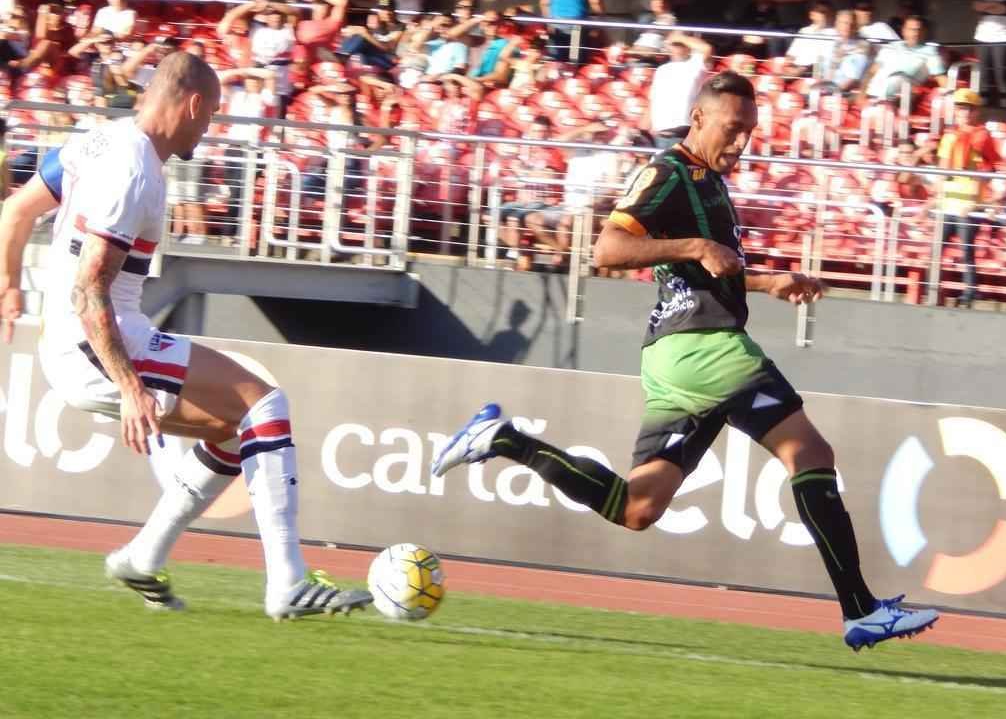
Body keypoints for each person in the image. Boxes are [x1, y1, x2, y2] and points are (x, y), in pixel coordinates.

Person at [433, 70, 940, 651]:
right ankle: (859, 609)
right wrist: (697, 245)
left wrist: (770, 281)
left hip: (677, 357)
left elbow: (706, 274)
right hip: (707, 349)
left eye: (750, 131)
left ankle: (506, 440)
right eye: (733, 129)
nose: (743, 143)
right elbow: (607, 249)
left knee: (638, 507)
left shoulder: (709, 182)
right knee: (811, 452)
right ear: (698, 118)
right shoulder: (667, 173)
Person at [0, 51, 372, 619]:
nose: (210, 127)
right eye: (212, 114)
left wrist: (9, 288)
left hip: (82, 339)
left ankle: (143, 557)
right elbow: (89, 290)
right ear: (193, 103)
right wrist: (129, 386)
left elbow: (16, 212)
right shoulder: (134, 172)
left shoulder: (101, 140)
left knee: (231, 427)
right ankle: (288, 584)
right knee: (264, 404)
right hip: (99, 343)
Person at [934, 88, 1001, 308]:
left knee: (966, 249)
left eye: (966, 109)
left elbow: (987, 170)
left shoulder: (981, 137)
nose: (962, 113)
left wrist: (978, 202)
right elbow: (943, 170)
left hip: (969, 203)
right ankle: (932, 287)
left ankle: (970, 292)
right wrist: (935, 199)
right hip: (949, 201)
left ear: (975, 112)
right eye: (959, 108)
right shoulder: (950, 136)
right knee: (937, 247)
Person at [860, 15, 946, 101]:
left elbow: (941, 78)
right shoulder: (891, 46)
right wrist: (861, 95)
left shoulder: (930, 52)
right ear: (903, 31)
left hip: (895, 100)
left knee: (898, 78)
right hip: (870, 95)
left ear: (924, 32)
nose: (915, 33)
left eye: (919, 30)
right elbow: (871, 72)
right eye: (911, 29)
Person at [649, 35, 712, 149]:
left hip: (682, 133)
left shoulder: (694, 66)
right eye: (674, 45)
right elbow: (653, 100)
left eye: (680, 45)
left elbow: (705, 48)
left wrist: (680, 38)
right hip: (661, 134)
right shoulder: (661, 69)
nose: (676, 49)